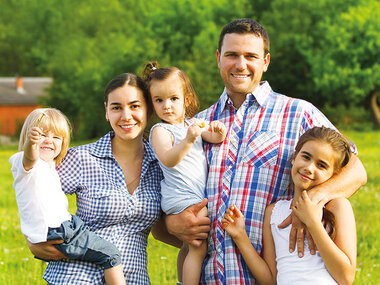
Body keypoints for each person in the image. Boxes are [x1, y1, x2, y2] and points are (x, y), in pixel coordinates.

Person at [164, 18, 367, 284]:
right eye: (231, 55)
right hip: (207, 277)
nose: (240, 64)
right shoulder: (195, 126)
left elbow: (356, 170)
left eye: (251, 56)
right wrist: (171, 224)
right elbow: (170, 191)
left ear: (266, 61)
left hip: (269, 277)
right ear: (218, 58)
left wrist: (311, 201)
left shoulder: (297, 113)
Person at [26, 73, 167, 284]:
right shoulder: (81, 158)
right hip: (75, 277)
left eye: (135, 106)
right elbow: (34, 193)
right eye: (116, 107)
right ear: (106, 112)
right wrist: (33, 239)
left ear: (148, 108)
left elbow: (167, 227)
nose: (126, 115)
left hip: (133, 278)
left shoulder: (163, 165)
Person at [222, 127, 356, 284]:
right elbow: (271, 279)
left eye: (321, 165)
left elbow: (346, 278)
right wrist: (240, 237)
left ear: (333, 174)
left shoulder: (337, 206)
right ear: (294, 157)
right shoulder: (274, 212)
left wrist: (312, 222)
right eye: (306, 157)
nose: (309, 167)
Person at [9, 108, 125, 285]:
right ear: (28, 137)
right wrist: (31, 144)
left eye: (56, 137)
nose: (49, 140)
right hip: (57, 229)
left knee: (93, 244)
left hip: (65, 225)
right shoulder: (25, 164)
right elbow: (29, 158)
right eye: (42, 135)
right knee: (111, 254)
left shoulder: (50, 166)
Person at [142, 61, 226, 285]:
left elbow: (215, 137)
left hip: (192, 195)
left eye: (173, 99)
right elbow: (169, 160)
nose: (167, 106)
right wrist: (189, 139)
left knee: (189, 246)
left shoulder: (192, 124)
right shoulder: (161, 130)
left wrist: (217, 130)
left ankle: (181, 280)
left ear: (186, 99)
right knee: (199, 247)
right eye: (159, 100)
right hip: (181, 197)